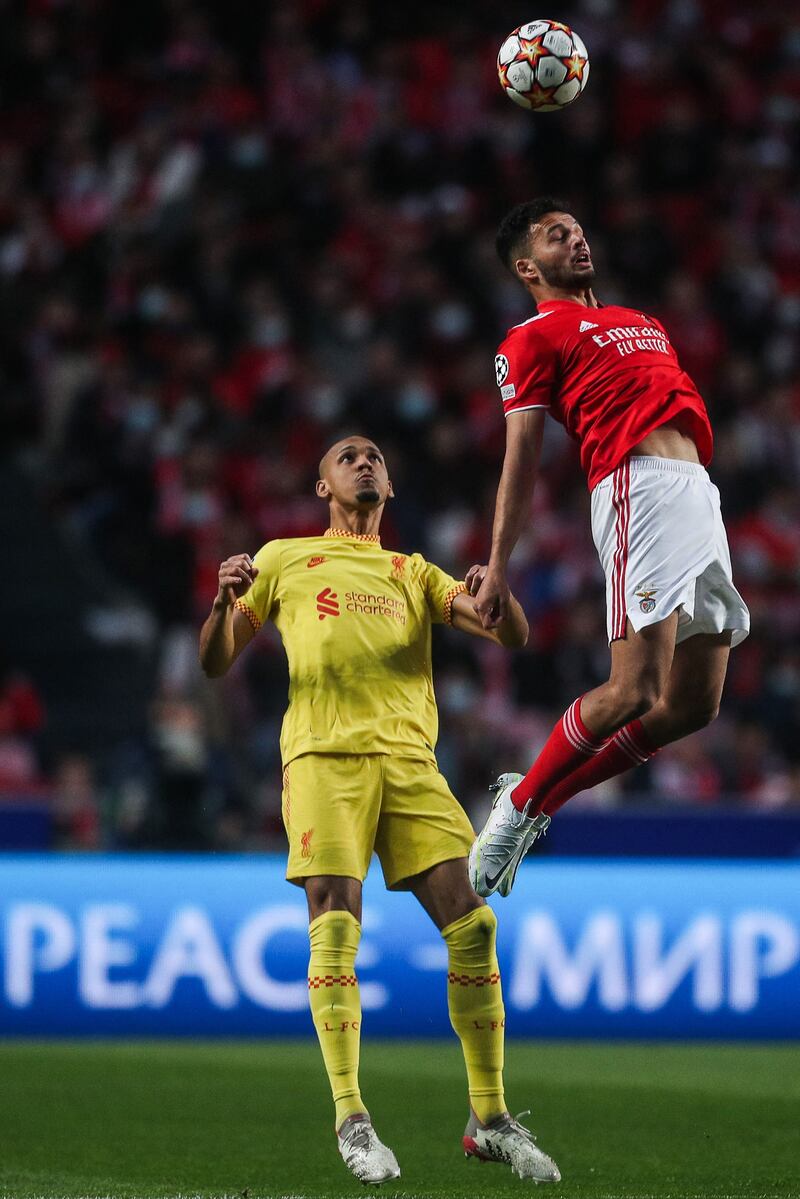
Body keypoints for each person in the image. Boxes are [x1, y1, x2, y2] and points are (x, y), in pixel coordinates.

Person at [199, 435, 560, 1187]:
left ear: (389, 486)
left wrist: (497, 587)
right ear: (323, 484)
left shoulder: (412, 571)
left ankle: (488, 1119)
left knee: (474, 921)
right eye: (347, 456)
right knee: (335, 918)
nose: (364, 462)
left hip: (410, 763)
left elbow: (513, 634)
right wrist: (220, 600)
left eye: (374, 458)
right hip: (324, 756)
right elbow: (216, 659)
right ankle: (351, 1116)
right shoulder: (282, 558)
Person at [469, 197, 750, 898]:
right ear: (529, 267)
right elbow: (522, 456)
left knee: (692, 704)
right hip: (638, 490)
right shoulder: (530, 338)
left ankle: (538, 800)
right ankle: (519, 804)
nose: (576, 239)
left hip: (696, 492)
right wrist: (499, 564)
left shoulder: (640, 322)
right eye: (556, 235)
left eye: (578, 229)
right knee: (634, 688)